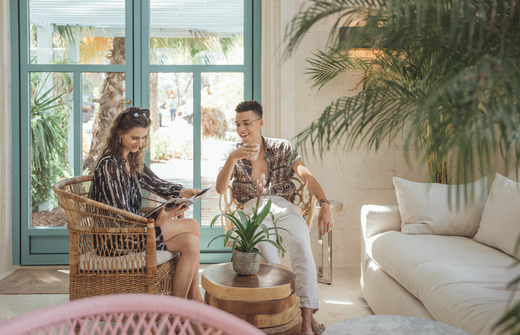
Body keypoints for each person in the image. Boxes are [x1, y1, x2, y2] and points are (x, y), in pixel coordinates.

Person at [216, 101, 334, 335]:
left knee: (301, 242)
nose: (241, 129)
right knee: (267, 252)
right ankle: (278, 308)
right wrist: (233, 157)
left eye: (247, 123)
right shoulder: (232, 151)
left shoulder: (282, 147)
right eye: (238, 124)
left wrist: (325, 203)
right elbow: (220, 189)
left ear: (260, 123)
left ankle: (306, 319)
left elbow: (306, 175)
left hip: (284, 206)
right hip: (252, 208)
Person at [88, 106, 203, 303]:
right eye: (135, 138)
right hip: (116, 238)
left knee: (191, 240)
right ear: (119, 134)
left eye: (143, 138)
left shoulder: (131, 159)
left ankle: (187, 305)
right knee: (192, 230)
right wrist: (155, 223)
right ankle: (190, 305)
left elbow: (156, 183)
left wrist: (184, 192)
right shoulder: (109, 166)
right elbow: (120, 217)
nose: (139, 144)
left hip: (135, 230)